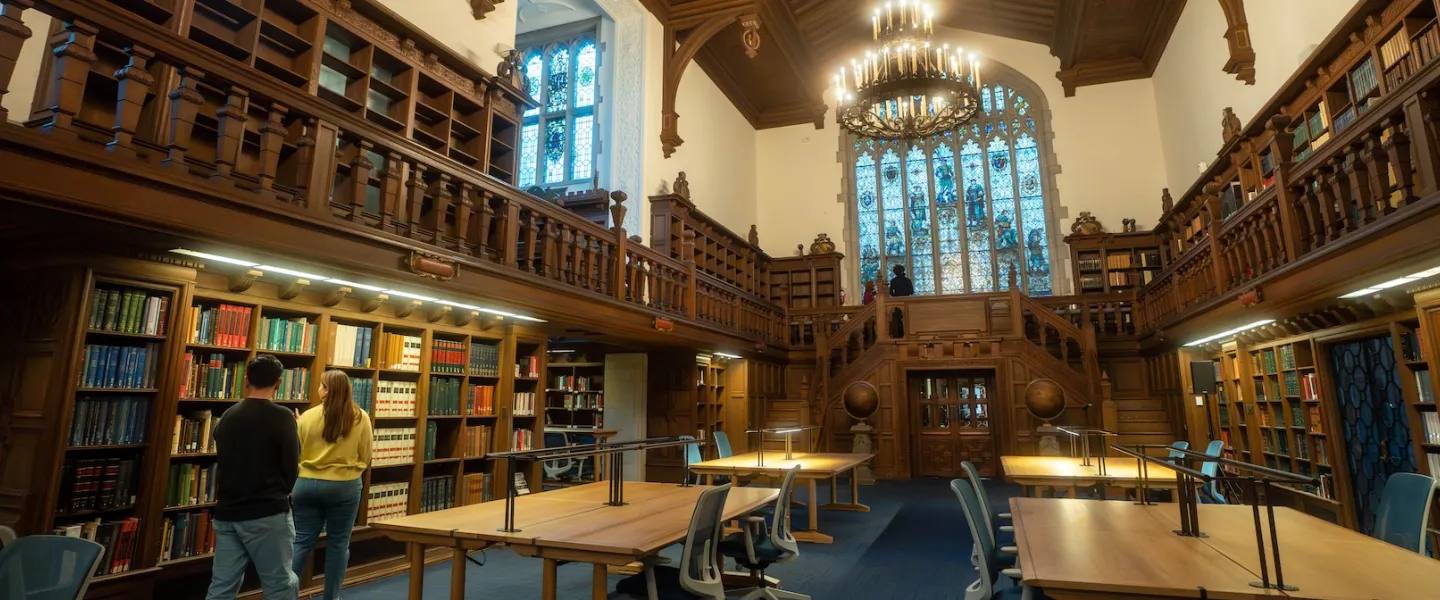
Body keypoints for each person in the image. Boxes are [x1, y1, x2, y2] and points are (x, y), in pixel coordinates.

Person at [208, 354, 300, 600]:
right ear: (279, 383)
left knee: (221, 586)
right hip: (267, 513)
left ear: (246, 380)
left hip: (228, 514)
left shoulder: (228, 416)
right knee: (279, 583)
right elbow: (291, 468)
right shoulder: (283, 417)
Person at [292, 370, 372, 600]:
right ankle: (331, 597)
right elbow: (365, 455)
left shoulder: (307, 416)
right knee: (338, 544)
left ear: (327, 390)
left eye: (320, 385)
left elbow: (298, 449)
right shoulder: (360, 417)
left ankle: (284, 595)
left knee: (301, 541)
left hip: (306, 483)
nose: (318, 389)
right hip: (344, 486)